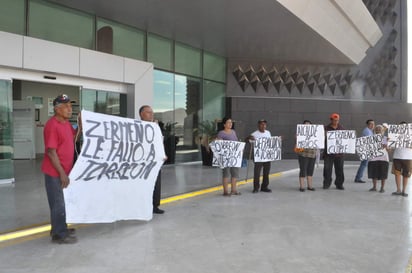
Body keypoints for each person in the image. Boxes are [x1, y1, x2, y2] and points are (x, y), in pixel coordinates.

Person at [41, 94, 79, 244]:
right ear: (57, 109)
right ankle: (59, 235)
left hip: (64, 171)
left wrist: (81, 125)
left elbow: (75, 136)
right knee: (58, 203)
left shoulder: (66, 123)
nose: (70, 109)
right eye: (66, 106)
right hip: (55, 173)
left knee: (63, 201)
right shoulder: (52, 125)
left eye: (71, 106)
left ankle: (60, 227)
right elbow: (51, 151)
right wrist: (62, 174)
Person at [139, 105, 166, 213]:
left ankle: (155, 205)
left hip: (155, 160)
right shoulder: (137, 126)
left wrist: (163, 153)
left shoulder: (155, 127)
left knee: (156, 182)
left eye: (152, 112)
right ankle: (142, 205)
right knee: (143, 183)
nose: (151, 114)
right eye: (148, 112)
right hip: (142, 161)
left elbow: (160, 142)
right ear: (141, 114)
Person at [216, 117, 241, 196]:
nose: (230, 124)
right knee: (226, 173)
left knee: (234, 173)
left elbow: (236, 142)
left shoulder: (233, 132)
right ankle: (225, 191)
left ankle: (234, 190)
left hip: (234, 157)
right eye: (228, 122)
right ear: (224, 124)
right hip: (225, 157)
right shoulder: (221, 133)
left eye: (231, 122)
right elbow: (219, 144)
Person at [248, 119, 272, 193]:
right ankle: (256, 188)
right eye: (261, 124)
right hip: (258, 156)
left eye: (264, 124)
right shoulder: (254, 134)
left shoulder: (268, 133)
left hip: (267, 156)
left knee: (266, 172)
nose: (263, 126)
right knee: (257, 173)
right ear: (258, 125)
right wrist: (249, 138)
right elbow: (247, 141)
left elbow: (271, 142)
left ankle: (264, 186)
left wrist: (278, 140)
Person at [323, 113, 345, 190]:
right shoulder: (326, 128)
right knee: (327, 169)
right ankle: (326, 184)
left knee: (340, 170)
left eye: (337, 120)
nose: (336, 122)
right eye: (334, 120)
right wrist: (324, 136)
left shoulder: (341, 128)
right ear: (331, 120)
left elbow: (345, 139)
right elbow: (321, 140)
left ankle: (339, 184)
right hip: (328, 154)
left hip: (339, 154)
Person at [391, 122, 412, 197]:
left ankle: (404, 190)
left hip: (408, 157)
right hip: (397, 156)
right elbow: (389, 146)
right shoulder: (394, 134)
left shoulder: (410, 135)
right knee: (397, 174)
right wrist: (388, 140)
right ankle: (398, 190)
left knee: (406, 175)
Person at [295, 120, 316, 192]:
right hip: (303, 154)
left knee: (310, 170)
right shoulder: (300, 133)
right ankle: (302, 186)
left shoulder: (315, 133)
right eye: (305, 125)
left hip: (312, 154)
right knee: (303, 170)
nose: (307, 126)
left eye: (309, 125)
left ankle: (310, 186)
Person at [367, 125, 389, 193]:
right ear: (375, 131)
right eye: (377, 129)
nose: (378, 130)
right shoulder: (371, 138)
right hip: (373, 158)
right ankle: (374, 187)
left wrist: (386, 145)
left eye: (380, 129)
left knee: (383, 174)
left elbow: (388, 150)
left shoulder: (385, 138)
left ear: (382, 131)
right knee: (374, 174)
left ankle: (382, 188)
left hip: (384, 159)